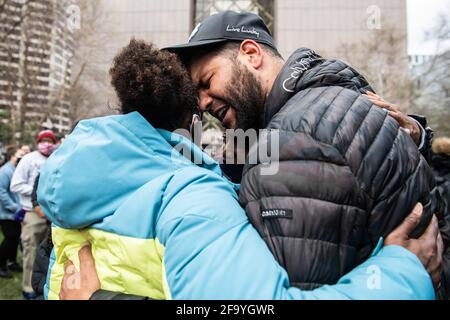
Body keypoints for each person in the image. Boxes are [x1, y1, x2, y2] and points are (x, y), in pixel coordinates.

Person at [38, 39, 440, 300]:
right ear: (191, 123)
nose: (208, 104)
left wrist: (418, 134)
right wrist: (402, 272)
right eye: (198, 96)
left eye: (207, 81)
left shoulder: (73, 185)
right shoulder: (193, 196)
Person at [164, 11, 449, 297]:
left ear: (251, 54)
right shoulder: (338, 100)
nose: (202, 103)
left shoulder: (291, 139)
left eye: (206, 81)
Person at [10, 130, 56, 299]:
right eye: (43, 140)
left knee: (47, 254)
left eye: (50, 140)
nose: (47, 143)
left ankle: (43, 287)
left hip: (51, 215)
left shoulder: (55, 158)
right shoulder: (29, 159)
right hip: (32, 213)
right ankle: (28, 288)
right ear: (38, 141)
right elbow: (15, 185)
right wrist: (38, 192)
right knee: (31, 251)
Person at [0, 147, 24, 278]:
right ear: (12, 156)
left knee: (15, 238)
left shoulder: (14, 169)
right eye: (19, 154)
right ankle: (1, 264)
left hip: (14, 213)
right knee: (10, 238)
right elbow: (1, 192)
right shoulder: (5, 171)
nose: (22, 157)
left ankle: (11, 262)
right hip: (6, 213)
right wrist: (15, 207)